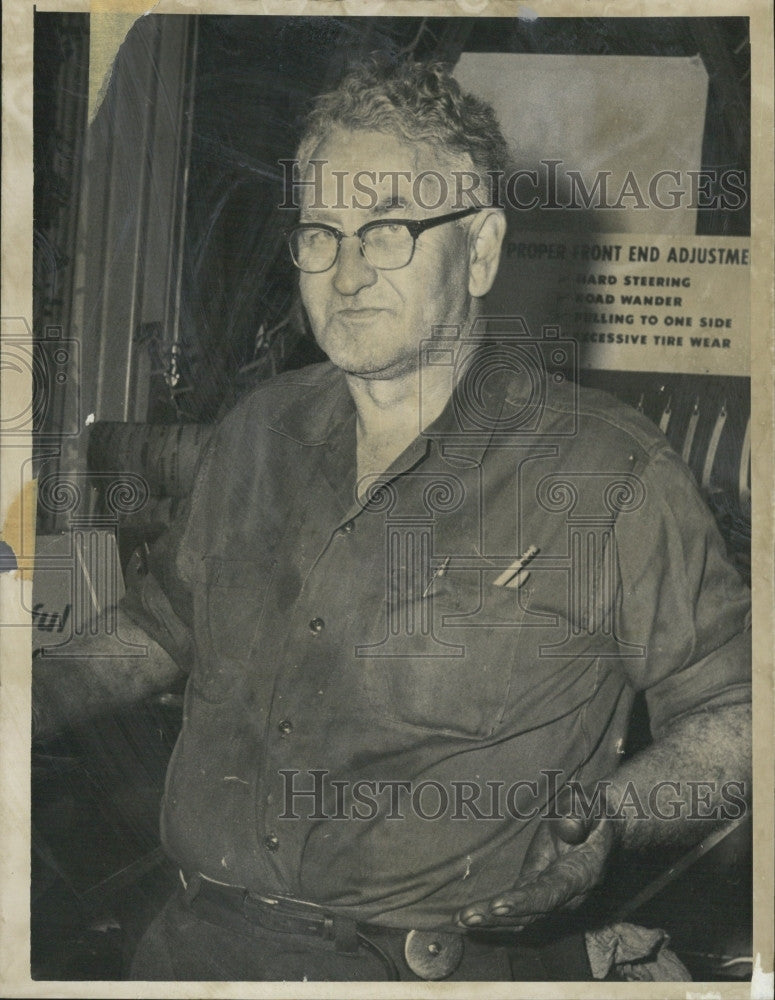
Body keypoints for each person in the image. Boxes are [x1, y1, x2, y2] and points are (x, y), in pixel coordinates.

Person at [33, 59, 751, 982]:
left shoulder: (610, 473)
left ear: (482, 250)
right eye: (320, 233)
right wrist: (30, 695)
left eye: (389, 230)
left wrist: (609, 823)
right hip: (195, 951)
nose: (346, 269)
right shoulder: (255, 436)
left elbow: (739, 715)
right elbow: (154, 627)